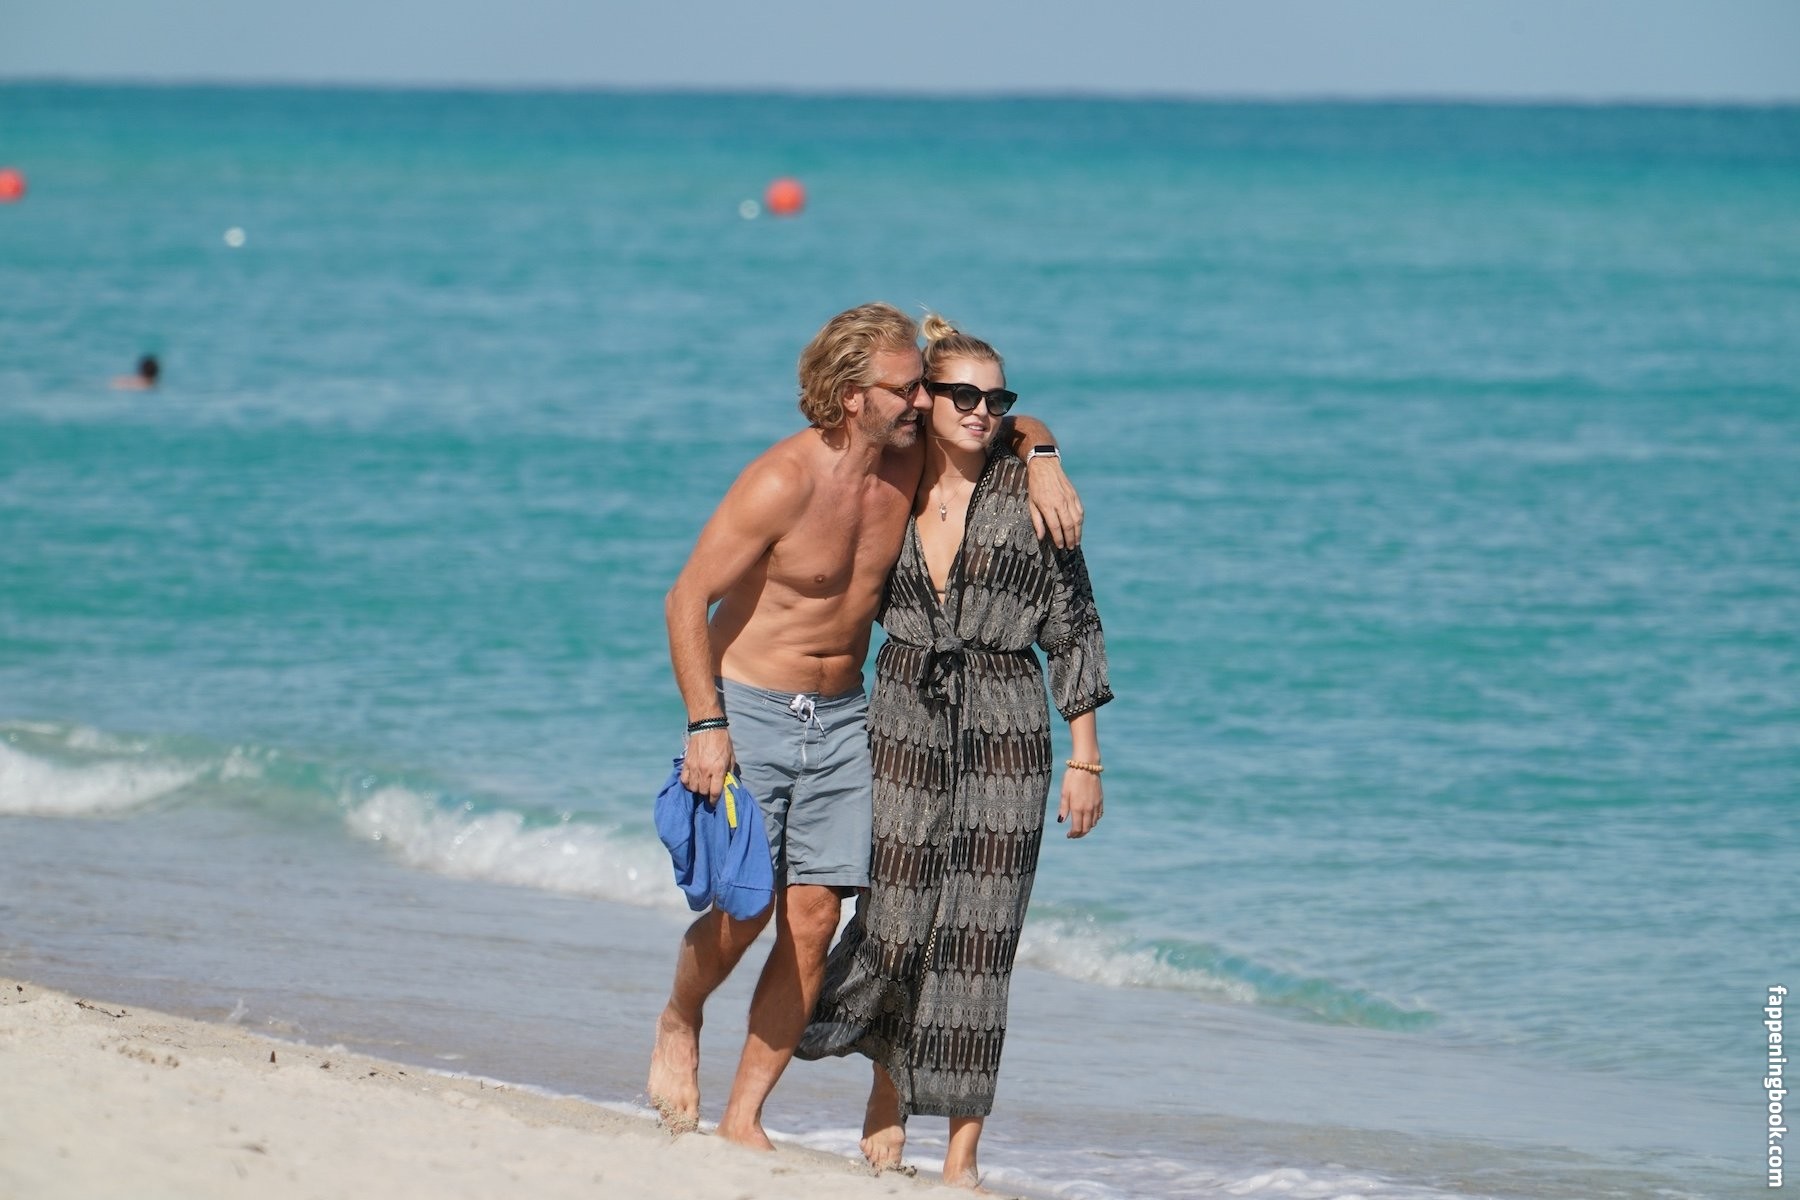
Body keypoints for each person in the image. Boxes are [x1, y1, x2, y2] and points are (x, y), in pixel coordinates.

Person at [650, 302, 1084, 1149]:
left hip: (845, 716)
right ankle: (680, 1015)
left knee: (815, 920)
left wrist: (1044, 461)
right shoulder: (781, 480)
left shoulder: (907, 463)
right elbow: (684, 598)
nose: (924, 400)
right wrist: (706, 723)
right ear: (854, 396)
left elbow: (1011, 422)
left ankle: (743, 1117)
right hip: (754, 710)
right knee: (743, 913)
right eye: (907, 387)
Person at [797, 315, 1112, 1188]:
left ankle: (963, 1153)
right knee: (894, 918)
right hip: (902, 714)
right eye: (964, 395)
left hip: (1009, 724)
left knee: (981, 937)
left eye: (997, 399)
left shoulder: (1033, 492)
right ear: (926, 400)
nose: (982, 412)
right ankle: (886, 1085)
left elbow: (1075, 628)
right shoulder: (889, 479)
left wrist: (1085, 758)